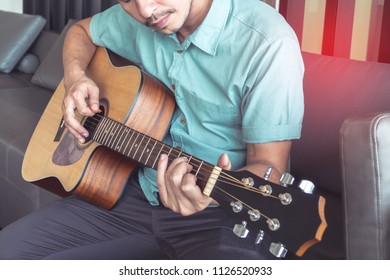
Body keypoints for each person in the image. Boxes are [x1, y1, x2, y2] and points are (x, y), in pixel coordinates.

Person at [0, 0, 304, 259]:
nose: (145, 11)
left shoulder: (268, 43)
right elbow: (81, 31)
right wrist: (75, 78)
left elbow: (269, 169)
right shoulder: (145, 17)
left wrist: (208, 196)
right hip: (130, 193)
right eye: (128, 0)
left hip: (221, 216)